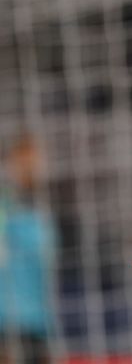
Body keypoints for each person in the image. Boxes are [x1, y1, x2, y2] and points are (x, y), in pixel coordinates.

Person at [0, 134, 57, 364]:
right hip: (5, 321)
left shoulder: (43, 212)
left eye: (35, 161)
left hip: (38, 322)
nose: (32, 168)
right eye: (24, 161)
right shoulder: (5, 207)